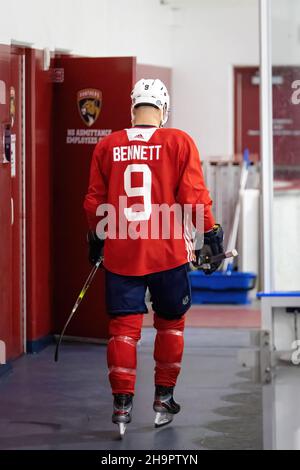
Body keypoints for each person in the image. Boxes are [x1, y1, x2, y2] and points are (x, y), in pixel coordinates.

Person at [84, 78, 224, 436]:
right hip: (167, 253)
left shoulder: (107, 144)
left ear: (133, 108)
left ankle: (121, 406)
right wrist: (209, 233)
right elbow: (193, 197)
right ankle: (163, 398)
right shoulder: (178, 141)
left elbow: (93, 203)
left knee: (123, 331)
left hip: (122, 252)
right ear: (163, 110)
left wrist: (97, 238)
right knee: (171, 323)